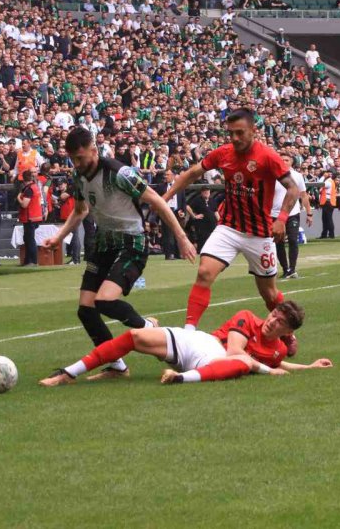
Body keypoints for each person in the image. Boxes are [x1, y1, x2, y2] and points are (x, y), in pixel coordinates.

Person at [42, 127, 196, 381]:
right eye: (72, 159)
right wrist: (59, 236)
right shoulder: (78, 176)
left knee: (104, 301)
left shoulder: (119, 173)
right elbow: (80, 210)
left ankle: (148, 328)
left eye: (80, 158)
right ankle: (116, 366)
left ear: (93, 150)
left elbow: (156, 200)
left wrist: (181, 237)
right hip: (104, 244)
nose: (76, 164)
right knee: (86, 310)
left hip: (132, 243)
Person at [162, 109, 300, 352]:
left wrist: (281, 219)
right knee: (204, 272)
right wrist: (165, 198)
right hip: (228, 227)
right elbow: (192, 173)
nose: (235, 138)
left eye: (240, 133)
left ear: (253, 131)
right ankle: (188, 334)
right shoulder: (223, 153)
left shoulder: (268, 156)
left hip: (259, 233)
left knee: (269, 293)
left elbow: (293, 188)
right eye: (231, 133)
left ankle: (287, 334)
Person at [40, 301, 331, 387]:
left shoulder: (279, 348)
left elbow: (279, 362)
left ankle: (179, 378)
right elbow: (234, 351)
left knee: (243, 364)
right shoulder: (247, 318)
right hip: (204, 346)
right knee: (135, 337)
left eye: (280, 322)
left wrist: (309, 366)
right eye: (274, 315)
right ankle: (69, 373)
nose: (272, 321)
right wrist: (267, 370)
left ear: (287, 331)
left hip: (211, 363)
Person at [272, 152, 311, 279]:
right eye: (282, 159)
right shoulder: (273, 174)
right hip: (275, 213)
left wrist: (309, 212)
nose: (284, 162)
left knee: (293, 240)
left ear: (292, 162)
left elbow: (303, 195)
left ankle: (292, 268)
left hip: (292, 213)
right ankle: (285, 269)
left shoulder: (297, 176)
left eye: (287, 160)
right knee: (279, 242)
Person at [17, 169, 43, 266]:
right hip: (35, 216)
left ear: (23, 179)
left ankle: (33, 261)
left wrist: (18, 198)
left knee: (30, 240)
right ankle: (28, 261)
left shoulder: (28, 189)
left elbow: (24, 205)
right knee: (28, 239)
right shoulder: (35, 187)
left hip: (30, 217)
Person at [186, 187, 217, 253]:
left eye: (208, 191)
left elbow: (215, 212)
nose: (206, 192)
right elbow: (188, 207)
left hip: (212, 225)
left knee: (212, 241)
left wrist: (220, 222)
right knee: (202, 243)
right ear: (201, 192)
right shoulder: (197, 200)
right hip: (202, 226)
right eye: (204, 191)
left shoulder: (212, 200)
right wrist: (194, 216)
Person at [318, 171, 337, 239]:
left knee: (328, 219)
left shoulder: (328, 181)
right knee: (325, 219)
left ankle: (331, 234)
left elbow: (319, 184)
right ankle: (325, 234)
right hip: (328, 202)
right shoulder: (330, 181)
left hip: (327, 202)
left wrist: (323, 177)